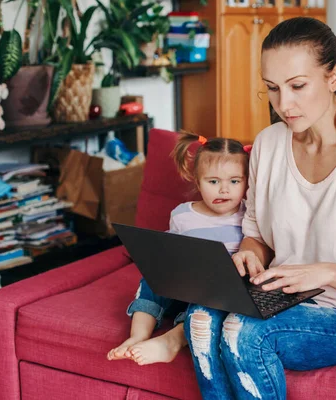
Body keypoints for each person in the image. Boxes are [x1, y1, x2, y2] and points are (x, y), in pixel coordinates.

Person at [180, 16, 336, 400]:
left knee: (242, 333)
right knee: (198, 318)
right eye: (273, 89)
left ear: (333, 78)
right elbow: (257, 233)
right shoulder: (268, 144)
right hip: (280, 297)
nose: (284, 104)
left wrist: (324, 273)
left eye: (298, 86)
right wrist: (249, 253)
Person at [107, 132, 250, 366]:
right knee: (151, 281)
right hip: (184, 283)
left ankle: (175, 339)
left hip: (216, 293)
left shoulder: (248, 215)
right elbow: (171, 250)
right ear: (197, 181)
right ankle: (137, 336)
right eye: (213, 182)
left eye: (234, 181)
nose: (224, 190)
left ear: (246, 181)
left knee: (207, 307)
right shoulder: (183, 214)